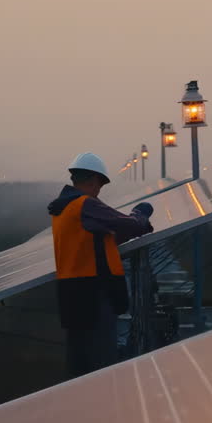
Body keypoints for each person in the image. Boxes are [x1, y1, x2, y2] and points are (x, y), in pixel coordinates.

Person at [48, 152, 154, 377]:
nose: (99, 191)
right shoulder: (85, 205)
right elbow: (128, 224)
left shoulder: (64, 209)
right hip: (94, 293)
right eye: (100, 186)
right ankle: (105, 404)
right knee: (102, 362)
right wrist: (141, 214)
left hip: (72, 293)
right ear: (93, 180)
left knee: (80, 362)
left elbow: (102, 240)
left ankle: (82, 406)